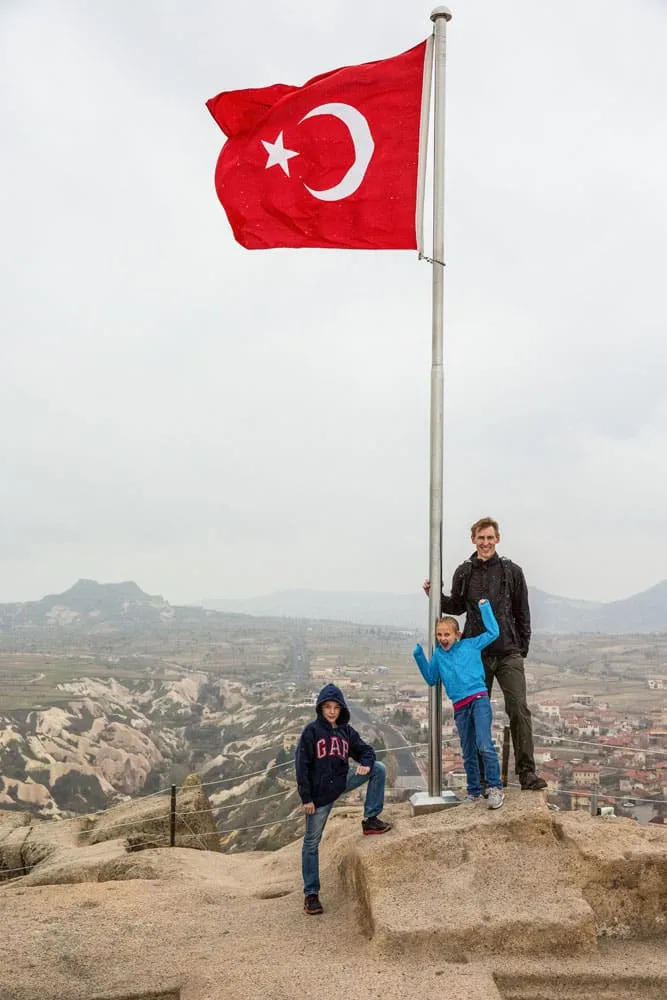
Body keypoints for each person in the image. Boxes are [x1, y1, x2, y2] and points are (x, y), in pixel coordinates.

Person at [424, 517, 547, 791]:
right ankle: (480, 778)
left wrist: (521, 647)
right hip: (476, 654)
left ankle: (526, 773)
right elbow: (456, 606)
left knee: (518, 709)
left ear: (498, 539)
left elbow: (522, 611)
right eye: (481, 538)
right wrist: (435, 596)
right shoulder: (464, 572)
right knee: (474, 713)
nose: (486, 542)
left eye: (490, 537)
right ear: (474, 540)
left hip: (508, 652)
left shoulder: (511, 571)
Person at [295, 683, 391, 915]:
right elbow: (301, 765)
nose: (331, 711)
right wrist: (306, 798)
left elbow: (365, 750)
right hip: (318, 797)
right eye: (327, 707)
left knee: (378, 768)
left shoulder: (346, 731)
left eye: (336, 707)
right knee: (311, 843)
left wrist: (365, 763)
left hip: (341, 781)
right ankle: (311, 894)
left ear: (341, 709)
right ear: (320, 708)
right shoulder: (311, 732)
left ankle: (370, 819)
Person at [413, 599, 505, 808]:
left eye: (447, 634)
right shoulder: (438, 655)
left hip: (479, 699)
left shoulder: (470, 645)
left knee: (484, 744)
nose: (443, 638)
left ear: (457, 635)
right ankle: (473, 792)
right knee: (468, 750)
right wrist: (419, 656)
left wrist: (485, 608)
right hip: (460, 706)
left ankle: (495, 788)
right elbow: (431, 678)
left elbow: (493, 633)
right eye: (439, 635)